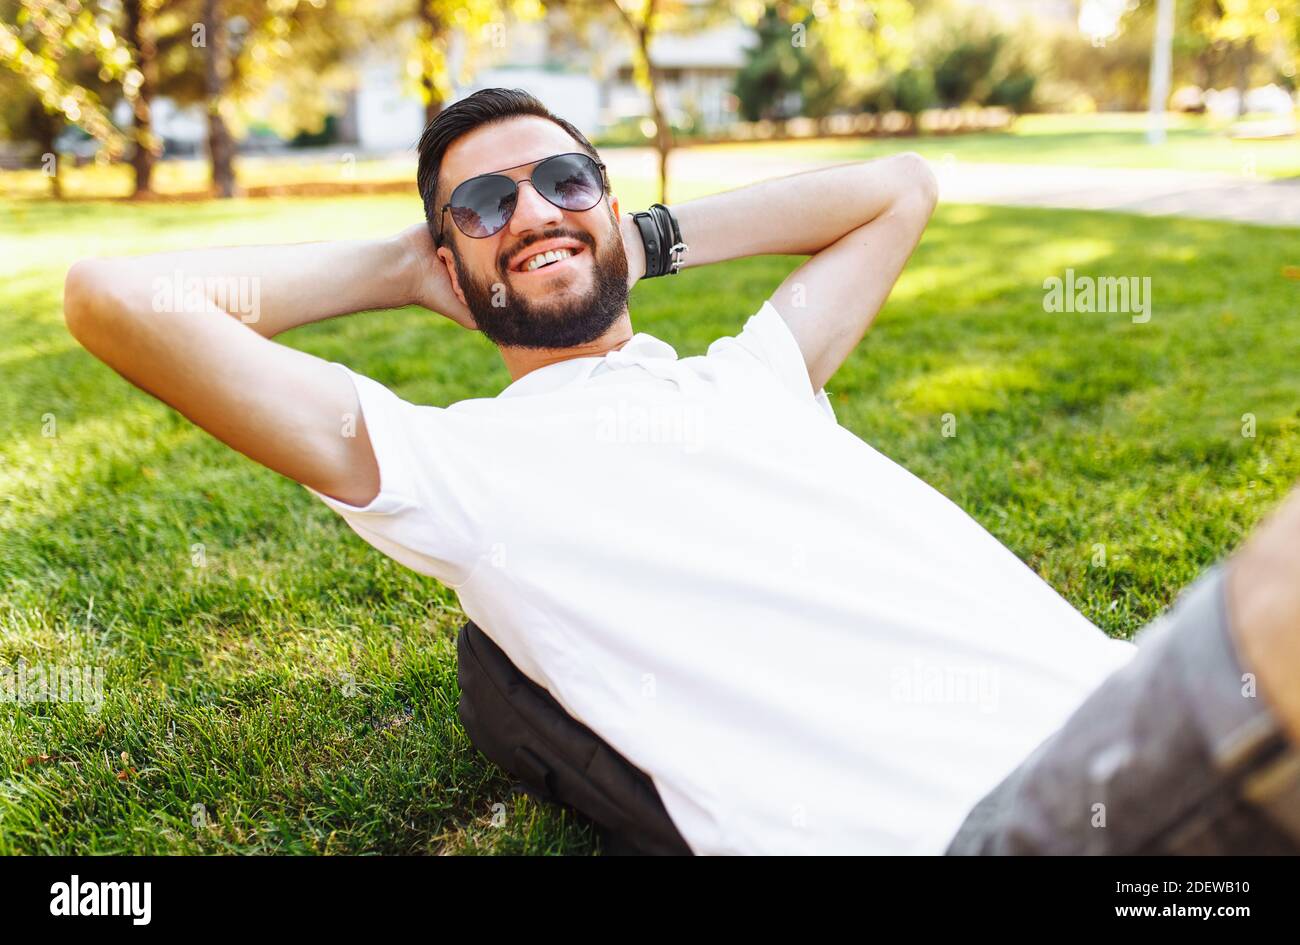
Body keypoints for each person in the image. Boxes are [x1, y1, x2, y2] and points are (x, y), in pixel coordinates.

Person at [63, 88, 1300, 855]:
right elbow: (115, 298)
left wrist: (621, 239)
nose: (534, 208)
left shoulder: (753, 374)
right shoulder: (452, 470)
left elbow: (897, 191)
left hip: (1125, 714)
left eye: (563, 181)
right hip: (994, 826)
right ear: (445, 267)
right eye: (484, 204)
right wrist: (403, 265)